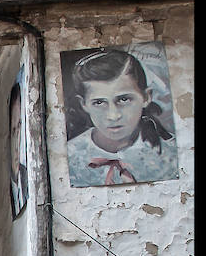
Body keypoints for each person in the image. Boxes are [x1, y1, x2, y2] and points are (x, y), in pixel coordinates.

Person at [66, 47, 178, 187]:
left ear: (146, 97)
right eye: (99, 102)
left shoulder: (172, 153)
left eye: (124, 99)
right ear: (84, 104)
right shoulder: (69, 157)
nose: (113, 116)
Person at [9, 78, 28, 217]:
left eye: (20, 127)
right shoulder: (12, 187)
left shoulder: (26, 177)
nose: (17, 134)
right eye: (14, 129)